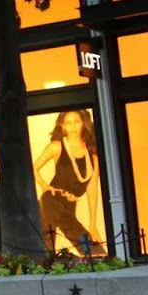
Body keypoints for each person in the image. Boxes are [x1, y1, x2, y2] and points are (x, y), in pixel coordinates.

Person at [33, 109, 106, 255]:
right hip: (52, 200)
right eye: (68, 122)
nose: (72, 126)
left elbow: (92, 188)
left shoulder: (92, 152)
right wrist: (45, 186)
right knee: (47, 238)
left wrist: (93, 224)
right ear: (62, 126)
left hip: (70, 202)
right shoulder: (57, 146)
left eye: (76, 122)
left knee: (92, 249)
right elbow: (33, 168)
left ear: (83, 124)